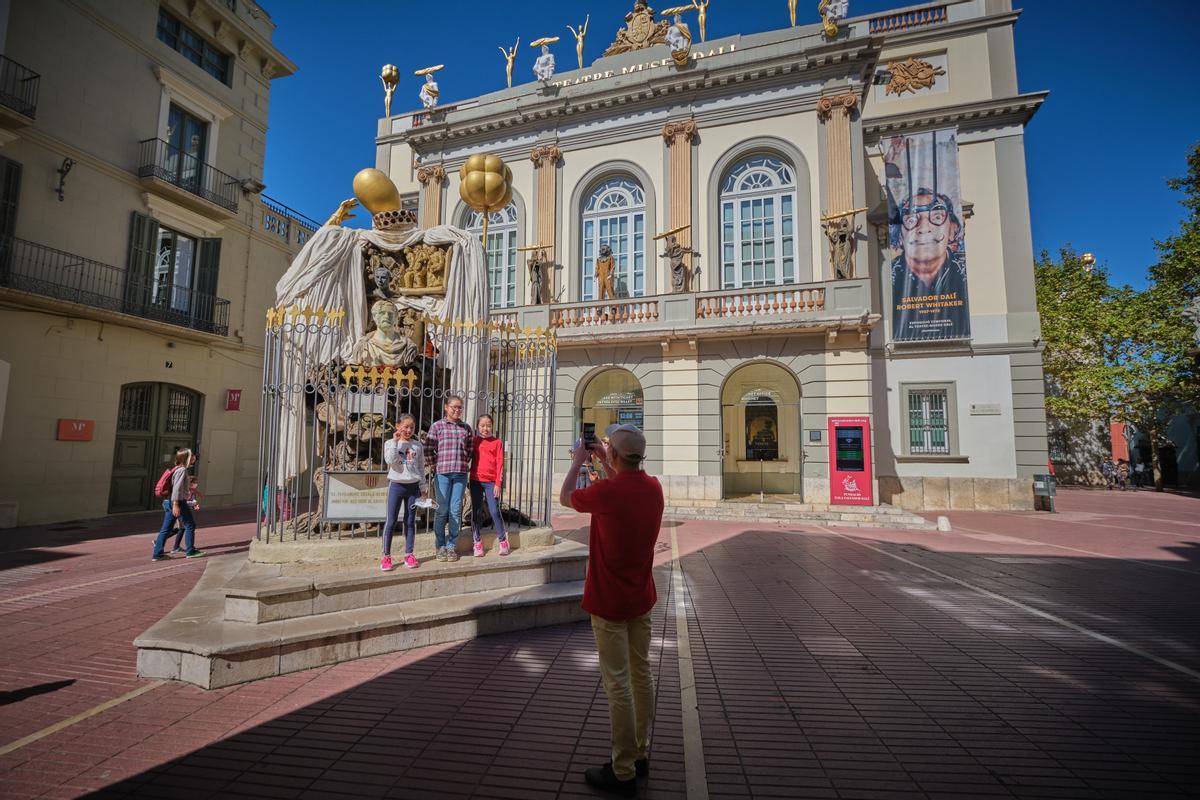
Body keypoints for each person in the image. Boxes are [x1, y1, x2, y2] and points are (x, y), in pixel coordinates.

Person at [559, 423, 663, 797]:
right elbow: (623, 486)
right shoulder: (653, 488)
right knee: (641, 673)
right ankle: (640, 752)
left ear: (616, 454)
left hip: (608, 599)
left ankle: (622, 770)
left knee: (617, 683)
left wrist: (578, 461)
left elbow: (566, 497)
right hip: (641, 596)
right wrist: (607, 460)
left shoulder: (607, 492)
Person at [425, 394, 473, 562]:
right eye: (454, 407)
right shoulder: (437, 426)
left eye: (460, 407)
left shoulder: (466, 428)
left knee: (455, 510)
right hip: (443, 474)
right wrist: (434, 465)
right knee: (441, 510)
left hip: (460, 474)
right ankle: (440, 545)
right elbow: (428, 448)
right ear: (446, 407)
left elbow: (470, 449)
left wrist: (463, 461)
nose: (457, 410)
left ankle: (452, 545)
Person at [381, 414, 427, 571]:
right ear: (397, 426)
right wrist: (395, 442)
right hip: (396, 486)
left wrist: (423, 488)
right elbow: (390, 461)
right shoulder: (390, 443)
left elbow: (420, 468)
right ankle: (386, 557)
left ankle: (409, 554)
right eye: (405, 426)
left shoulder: (417, 446)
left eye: (411, 427)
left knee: (410, 521)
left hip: (413, 488)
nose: (408, 430)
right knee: (391, 521)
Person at [151, 449, 205, 561]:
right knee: (190, 525)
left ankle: (157, 554)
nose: (194, 458)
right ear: (186, 458)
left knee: (166, 529)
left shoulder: (177, 469)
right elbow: (176, 489)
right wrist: (176, 504)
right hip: (178, 501)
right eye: (191, 456)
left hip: (170, 501)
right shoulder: (182, 470)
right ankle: (191, 551)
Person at [469, 414, 509, 557]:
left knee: (494, 511)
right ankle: (477, 542)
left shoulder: (497, 442)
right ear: (477, 427)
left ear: (492, 426)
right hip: (475, 480)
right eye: (482, 425)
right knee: (477, 511)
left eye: (488, 425)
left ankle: (503, 541)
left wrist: (498, 483)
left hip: (491, 483)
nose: (485, 428)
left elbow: (500, 463)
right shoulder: (474, 441)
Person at [168, 476, 203, 554]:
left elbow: (192, 501)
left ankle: (176, 547)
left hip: (184, 511)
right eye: (194, 482)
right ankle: (179, 547)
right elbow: (184, 502)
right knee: (182, 528)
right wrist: (193, 503)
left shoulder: (192, 491)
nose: (196, 484)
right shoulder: (186, 491)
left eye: (196, 483)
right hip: (180, 511)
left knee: (181, 528)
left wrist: (195, 505)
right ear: (189, 483)